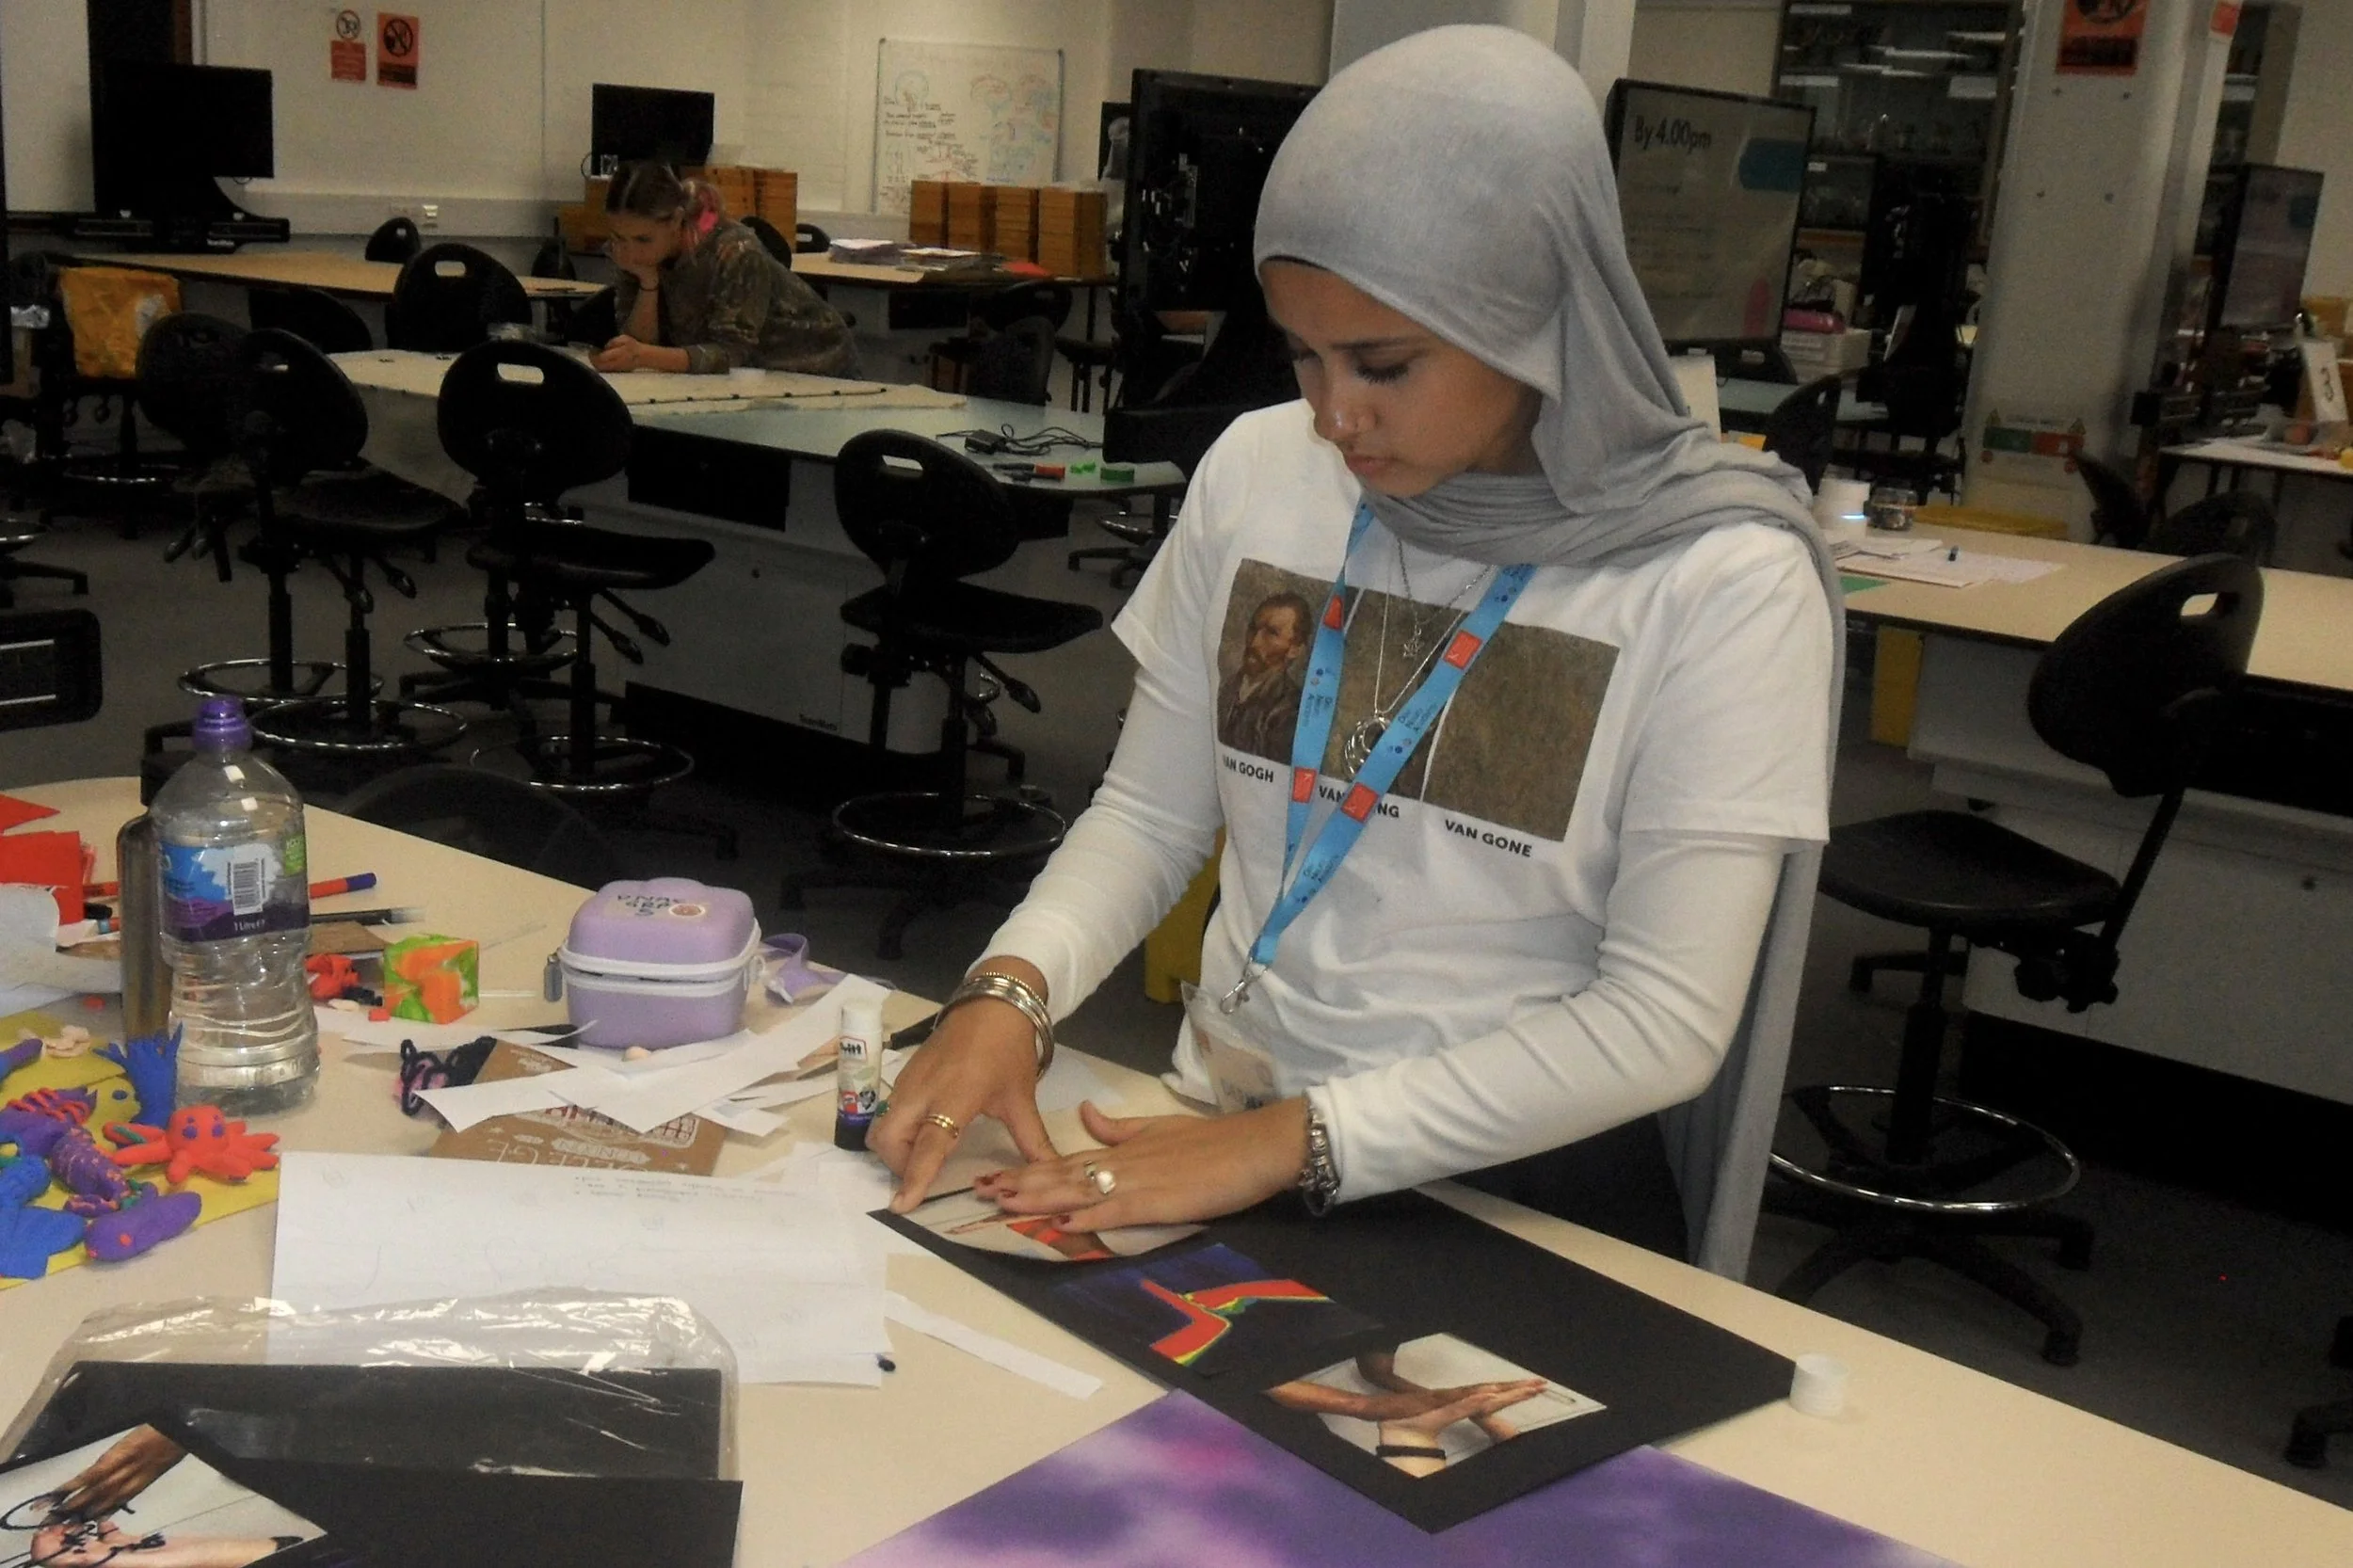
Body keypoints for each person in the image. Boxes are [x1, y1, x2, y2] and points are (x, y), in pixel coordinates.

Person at [870, 26, 1839, 1259]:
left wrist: (1284, 1144)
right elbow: (1152, 814)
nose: (1335, 415)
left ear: (1534, 312)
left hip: (1510, 1193)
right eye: (1304, 354)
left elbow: (1662, 1017)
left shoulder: (1719, 573)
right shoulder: (1262, 469)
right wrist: (1011, 987)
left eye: (1383, 363)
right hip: (1216, 1122)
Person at [593, 161, 855, 376]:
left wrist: (644, 355)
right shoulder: (633, 254)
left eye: (643, 239)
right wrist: (647, 282)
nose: (631, 252)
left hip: (811, 367)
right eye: (618, 237)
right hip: (747, 380)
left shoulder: (734, 251)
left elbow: (731, 354)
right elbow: (639, 345)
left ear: (676, 220)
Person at [1215, 590, 1312, 759]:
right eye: (1253, 629)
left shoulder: (1291, 711)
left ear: (1295, 649)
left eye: (1271, 633)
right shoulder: (1227, 687)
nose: (1254, 642)